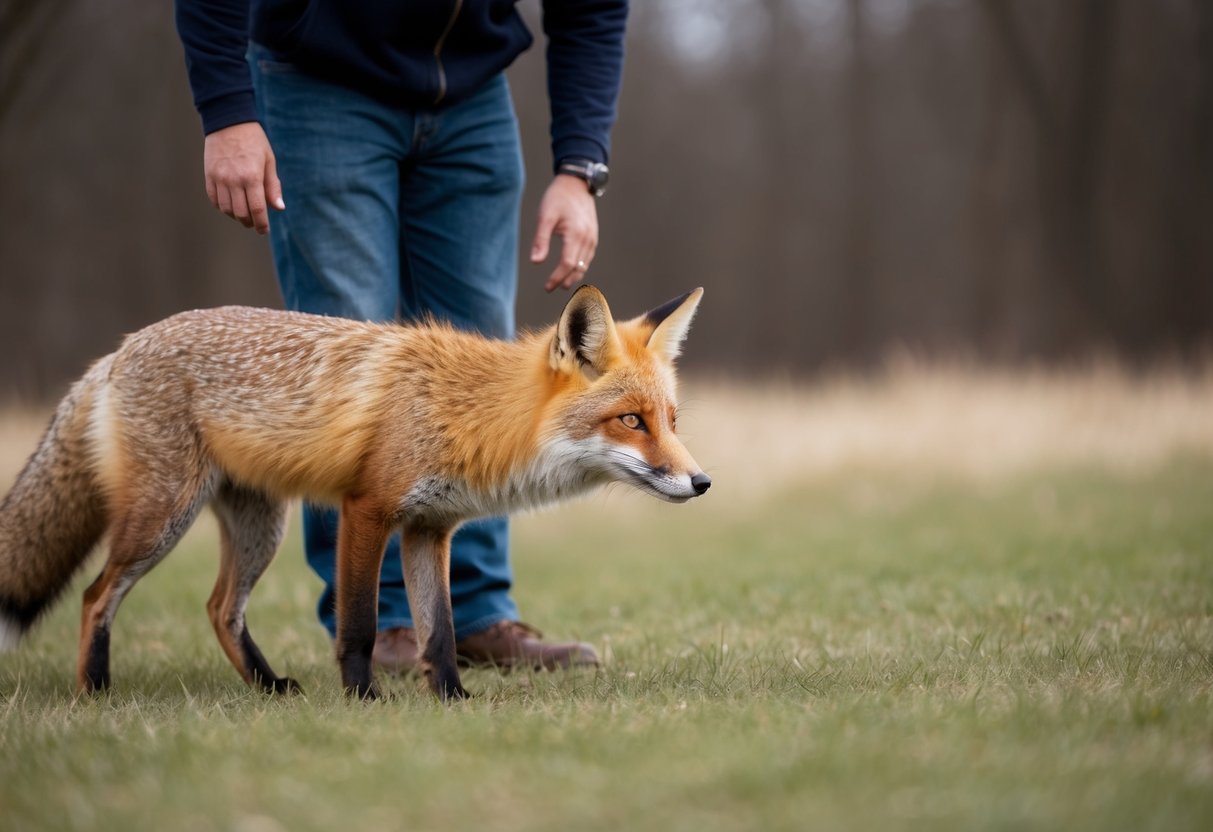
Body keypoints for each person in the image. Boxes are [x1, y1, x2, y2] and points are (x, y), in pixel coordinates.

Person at [174, 0, 627, 672]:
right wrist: (227, 110)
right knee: (346, 360)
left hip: (471, 94)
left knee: (487, 369)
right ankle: (381, 624)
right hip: (319, 83)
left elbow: (591, 7)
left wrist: (579, 165)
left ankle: (471, 615)